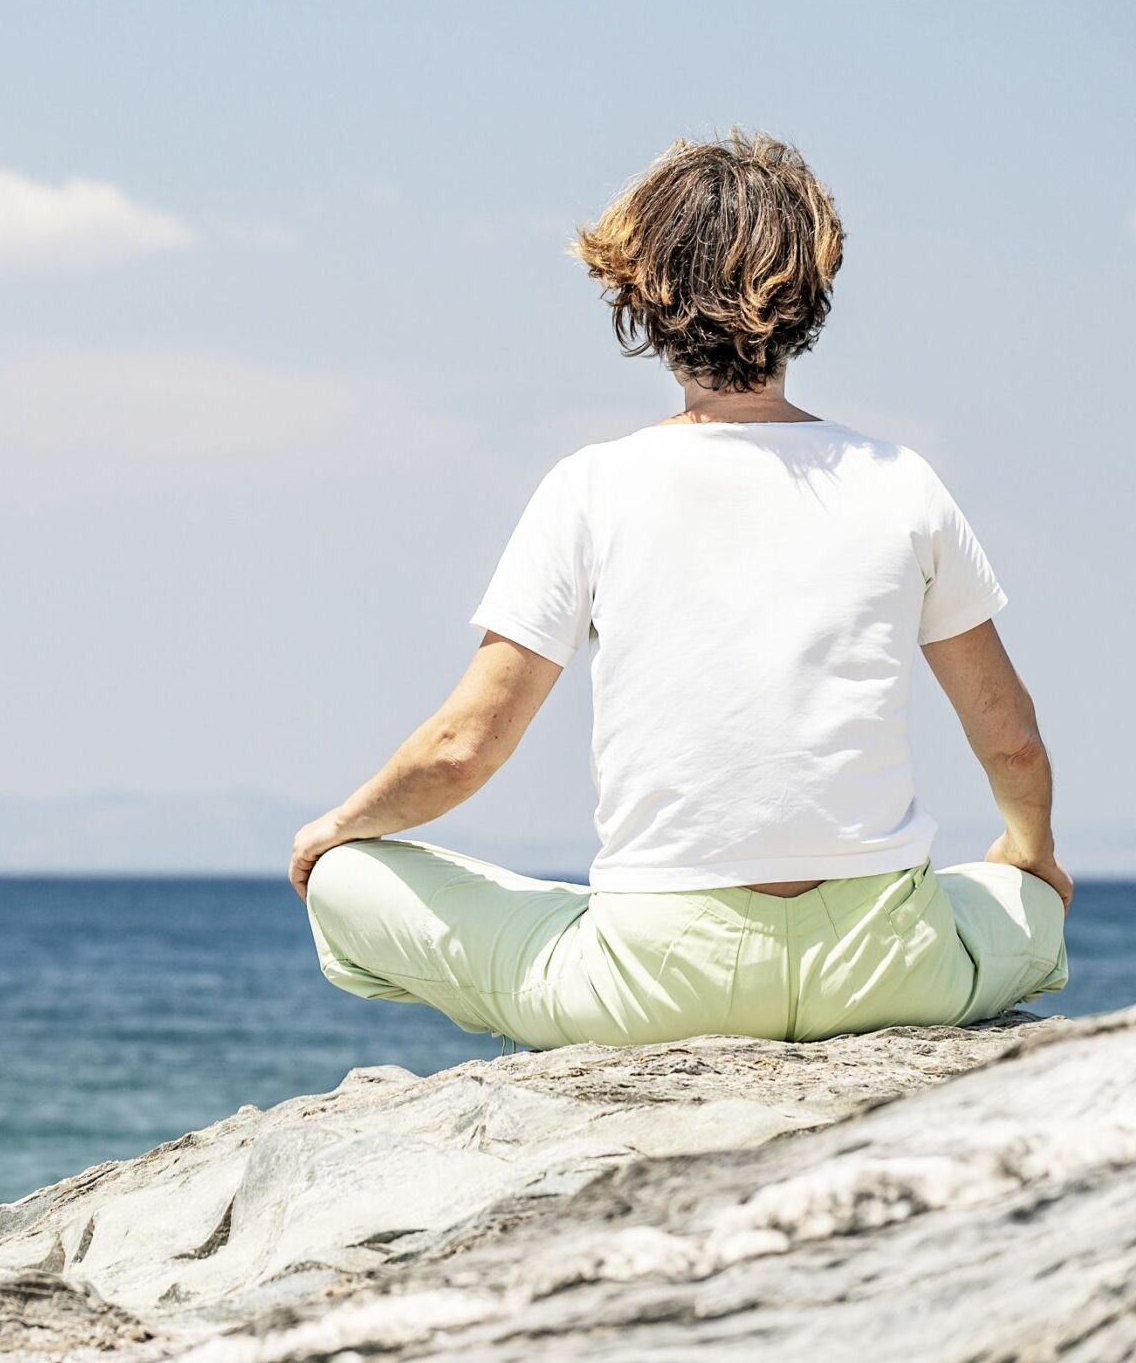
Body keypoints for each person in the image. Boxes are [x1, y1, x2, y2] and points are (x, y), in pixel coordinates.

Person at [290, 129, 1070, 1051]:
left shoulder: (592, 485)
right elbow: (1010, 737)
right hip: (884, 968)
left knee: (347, 876)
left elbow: (464, 748)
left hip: (658, 985)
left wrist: (333, 831)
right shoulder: (901, 480)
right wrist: (1033, 856)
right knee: (1022, 900)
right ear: (812, 293)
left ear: (641, 294)